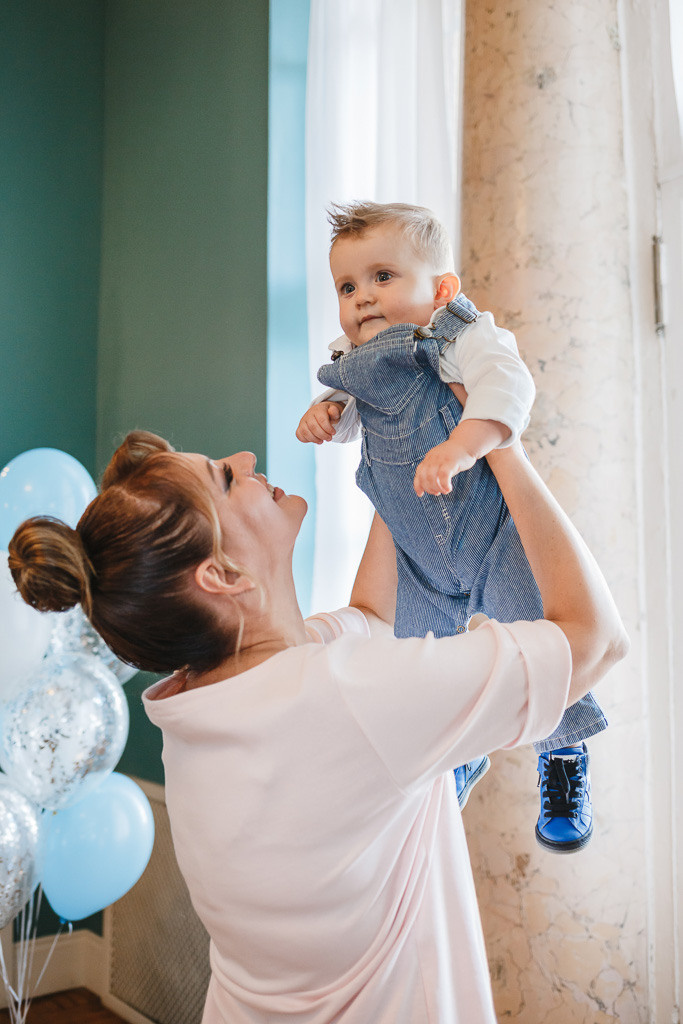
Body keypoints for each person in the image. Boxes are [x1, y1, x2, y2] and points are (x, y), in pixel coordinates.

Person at [7, 427, 627, 1024]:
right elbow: (596, 642)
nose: (246, 458)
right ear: (223, 576)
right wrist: (507, 444)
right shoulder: (345, 697)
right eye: (226, 478)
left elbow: (369, 618)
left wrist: (398, 452)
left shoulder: (202, 697)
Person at [296, 200, 607, 852]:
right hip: (416, 558)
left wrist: (465, 444)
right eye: (346, 287)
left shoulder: (462, 335)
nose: (361, 299)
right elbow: (355, 412)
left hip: (489, 534)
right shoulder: (351, 365)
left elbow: (506, 389)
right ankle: (458, 756)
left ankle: (563, 753)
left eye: (382, 276)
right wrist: (327, 417)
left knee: (541, 633)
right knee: (423, 673)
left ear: (439, 290)